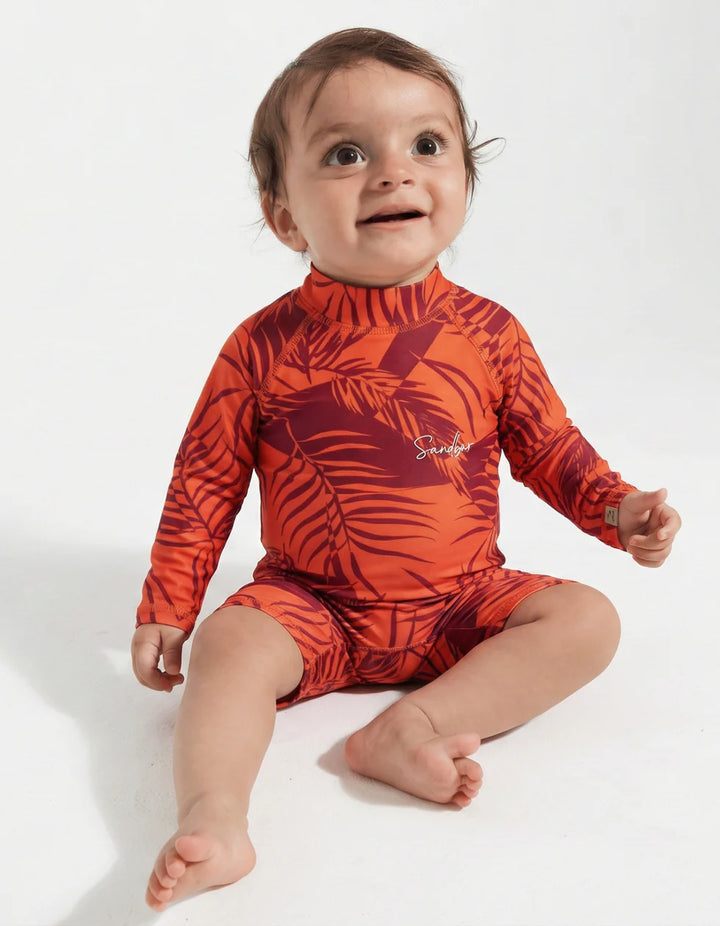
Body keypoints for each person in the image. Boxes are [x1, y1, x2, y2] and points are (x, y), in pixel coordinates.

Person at [131, 27, 681, 912]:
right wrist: (169, 604)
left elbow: (549, 445)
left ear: (464, 178)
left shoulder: (489, 334)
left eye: (427, 145)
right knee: (230, 647)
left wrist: (616, 511)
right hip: (312, 604)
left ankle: (409, 729)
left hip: (463, 600)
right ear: (284, 214)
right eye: (346, 153)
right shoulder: (262, 348)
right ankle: (217, 818)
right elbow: (203, 483)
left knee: (587, 619)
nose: (393, 172)